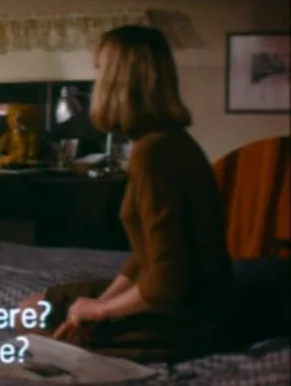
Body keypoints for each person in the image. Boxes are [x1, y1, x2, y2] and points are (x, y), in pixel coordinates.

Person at [17, 25, 236, 363]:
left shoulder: (156, 153)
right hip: (171, 292)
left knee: (40, 337)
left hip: (188, 315)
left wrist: (101, 312)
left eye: (100, 71)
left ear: (119, 81)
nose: (96, 83)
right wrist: (103, 301)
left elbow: (167, 284)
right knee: (31, 309)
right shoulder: (162, 141)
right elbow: (146, 254)